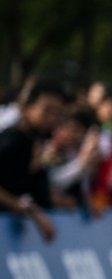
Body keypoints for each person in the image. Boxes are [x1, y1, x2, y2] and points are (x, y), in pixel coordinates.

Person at [0, 83, 65, 242]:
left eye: (58, 113)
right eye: (47, 110)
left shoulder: (35, 142)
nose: (52, 118)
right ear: (27, 107)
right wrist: (31, 211)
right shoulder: (13, 141)